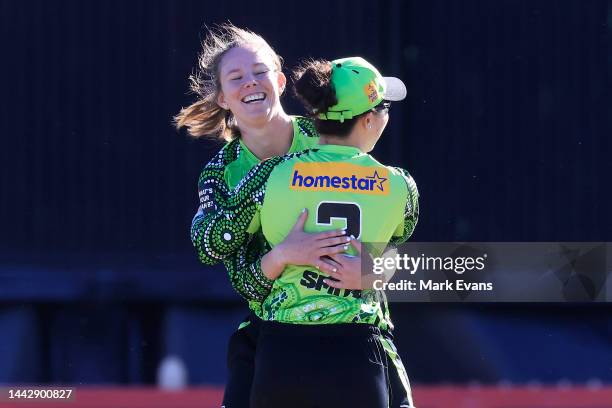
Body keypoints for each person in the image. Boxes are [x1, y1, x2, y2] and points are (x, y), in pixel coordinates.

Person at [205, 56, 419, 408]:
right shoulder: (400, 185)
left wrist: (281, 255)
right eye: (384, 110)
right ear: (369, 120)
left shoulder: (268, 174)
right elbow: (400, 244)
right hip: (357, 351)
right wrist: (372, 271)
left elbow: (215, 244)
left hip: (280, 351)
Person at [175, 24, 353, 407]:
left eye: (260, 72)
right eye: (236, 78)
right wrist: (285, 253)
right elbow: (216, 254)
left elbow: (387, 229)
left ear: (280, 80)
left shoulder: (328, 140)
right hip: (272, 334)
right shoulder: (221, 173)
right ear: (222, 98)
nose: (251, 83)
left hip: (353, 327)